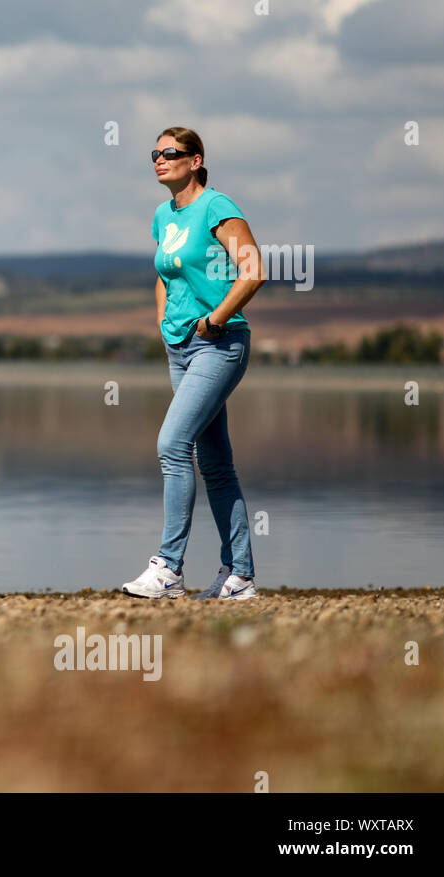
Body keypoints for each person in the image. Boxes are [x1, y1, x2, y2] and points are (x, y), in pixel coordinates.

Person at [121, 126, 265, 601]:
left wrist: (215, 319)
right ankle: (238, 576)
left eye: (170, 153)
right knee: (216, 463)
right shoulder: (164, 215)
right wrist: (165, 324)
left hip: (219, 345)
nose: (159, 160)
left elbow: (254, 269)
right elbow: (164, 272)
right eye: (155, 154)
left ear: (196, 160)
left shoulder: (217, 207)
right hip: (180, 348)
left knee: (172, 444)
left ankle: (168, 569)